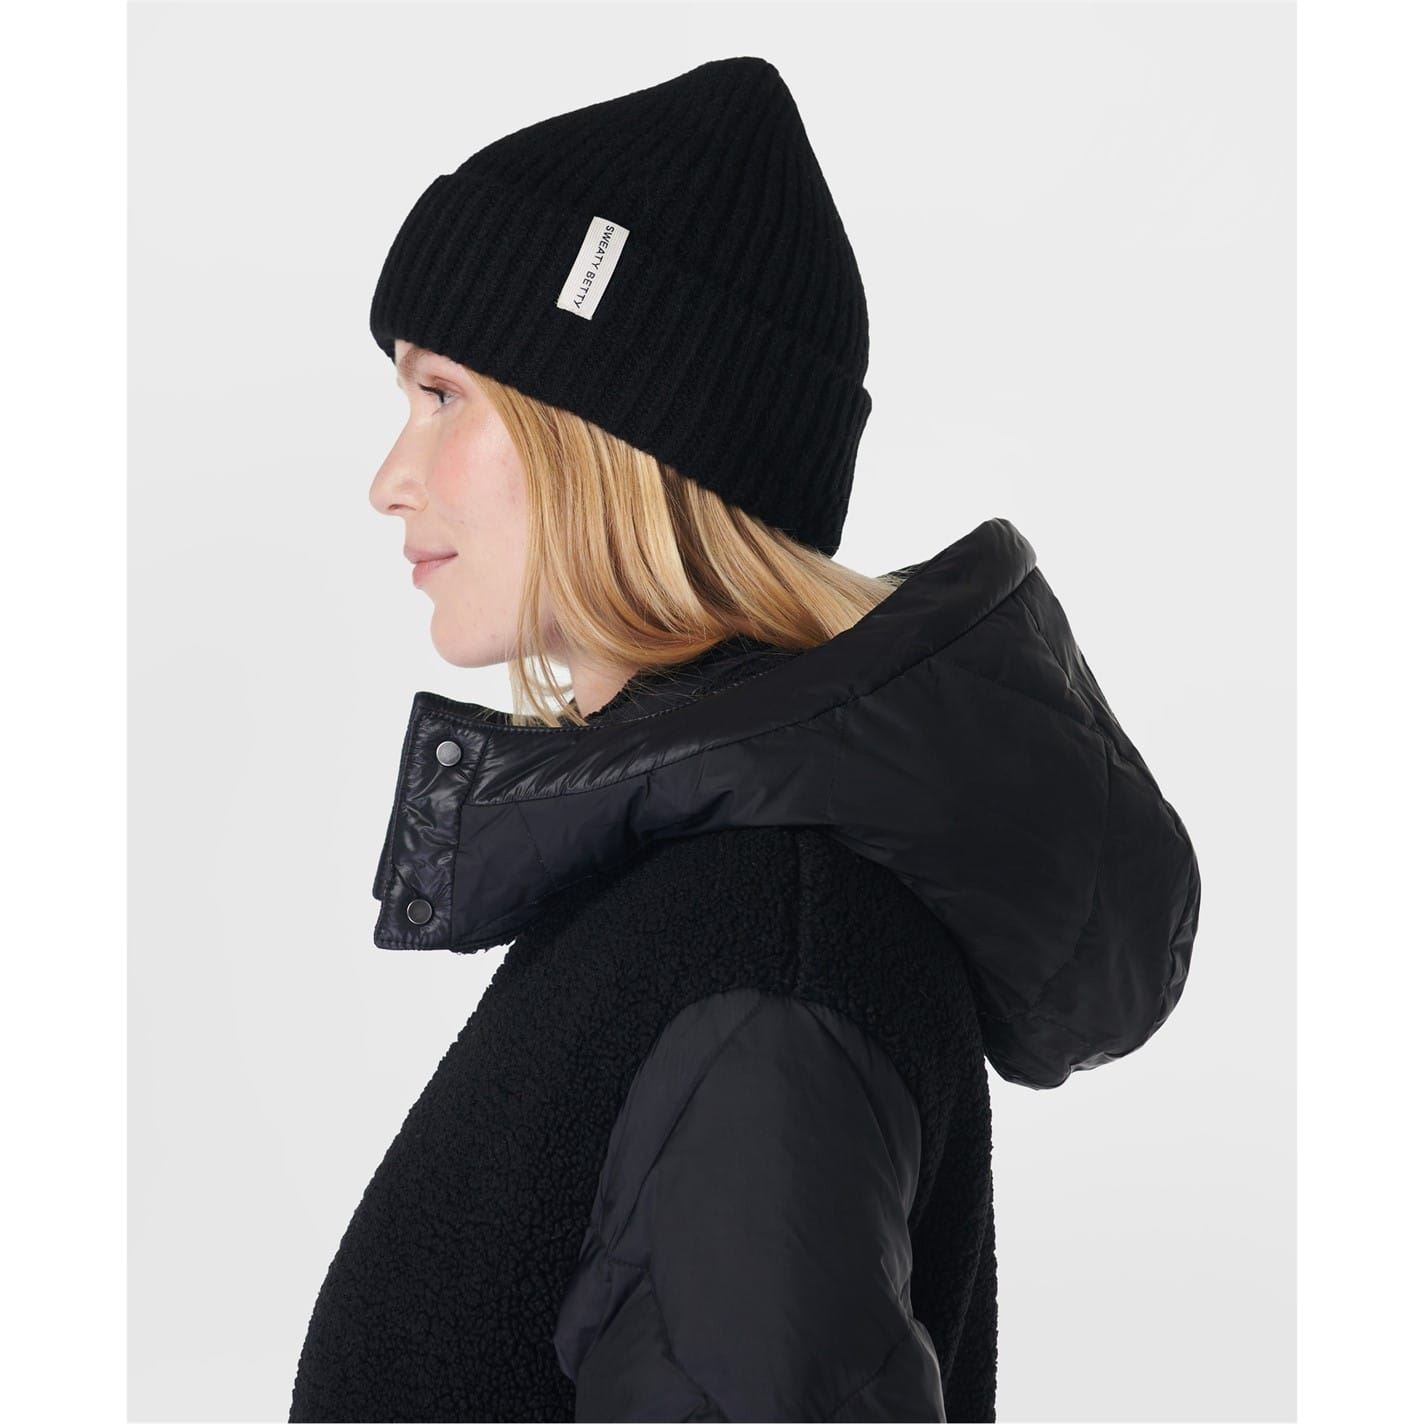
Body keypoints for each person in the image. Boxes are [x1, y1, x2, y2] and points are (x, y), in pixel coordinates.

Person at [288, 56, 1201, 1424]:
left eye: (443, 395)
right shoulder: (702, 889)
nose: (389, 478)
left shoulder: (767, 949)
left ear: (611, 437)